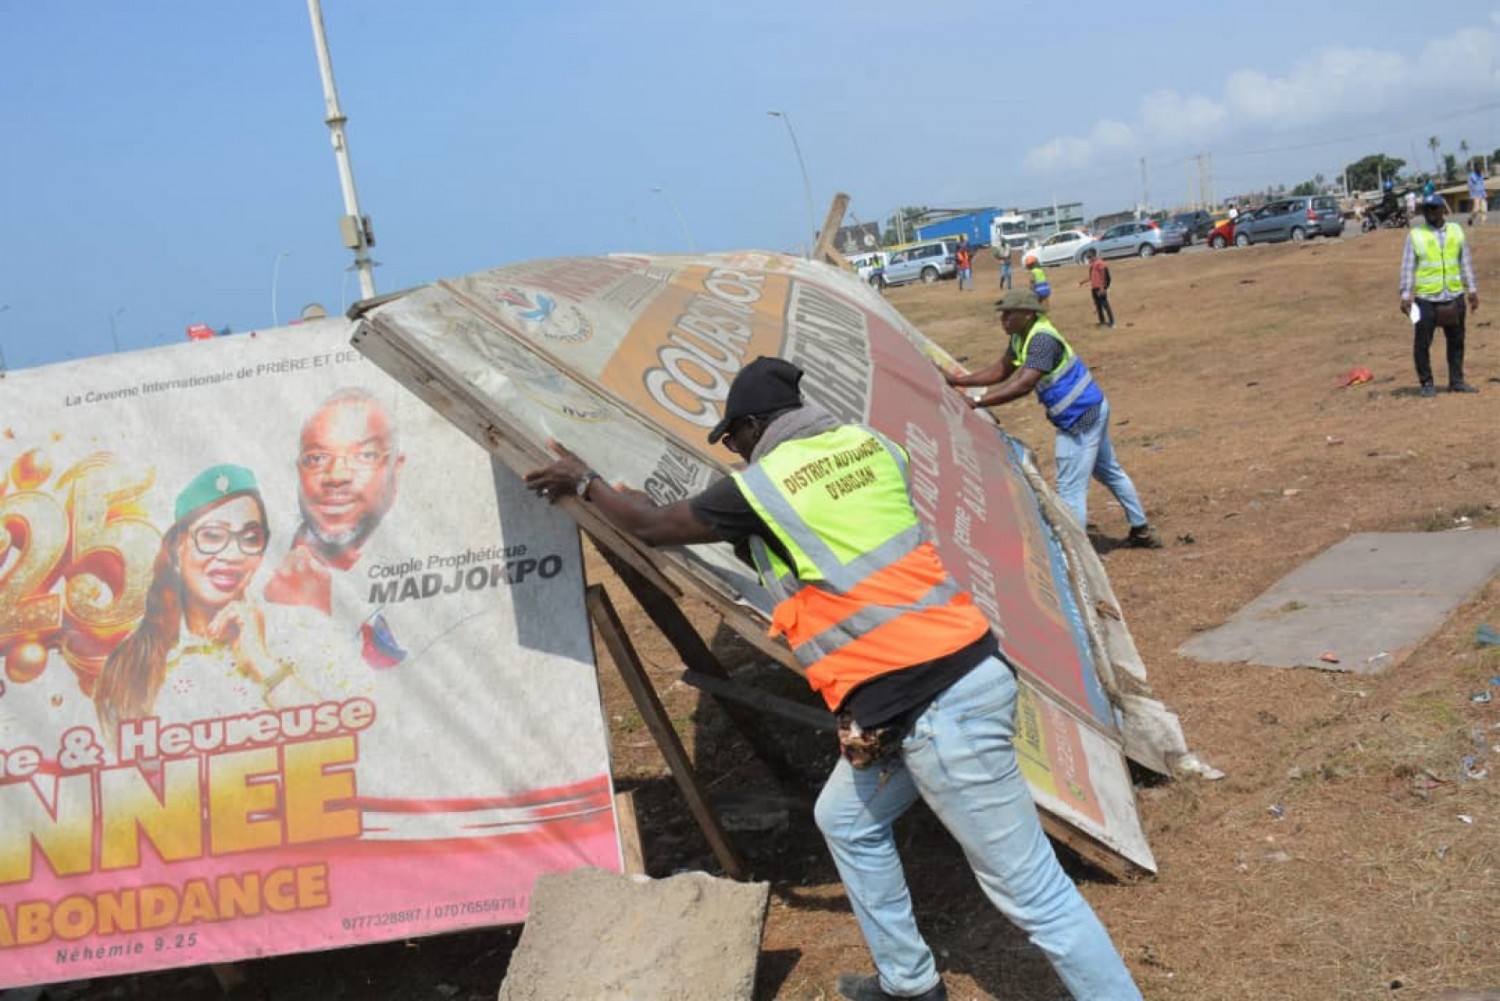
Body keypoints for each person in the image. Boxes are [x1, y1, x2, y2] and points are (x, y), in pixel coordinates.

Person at [523, 357, 1144, 1001]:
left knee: (1036, 893)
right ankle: (910, 984)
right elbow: (822, 538)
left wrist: (586, 480)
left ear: (758, 425)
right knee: (845, 820)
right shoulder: (872, 447)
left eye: (735, 438)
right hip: (953, 676)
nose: (736, 453)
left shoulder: (763, 487)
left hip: (935, 712)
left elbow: (655, 527)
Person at [94, 465, 324, 736]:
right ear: (179, 548)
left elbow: (352, 749)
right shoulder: (130, 664)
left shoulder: (303, 632)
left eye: (250, 538)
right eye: (213, 536)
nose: (232, 554)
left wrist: (262, 662)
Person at [946, 289, 1163, 548]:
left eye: (1009, 314)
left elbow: (1023, 385)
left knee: (1069, 488)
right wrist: (960, 381)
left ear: (1027, 315)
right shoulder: (1021, 337)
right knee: (1109, 471)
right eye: (1002, 314)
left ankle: (1076, 552)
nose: (1003, 319)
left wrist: (978, 402)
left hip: (1080, 418)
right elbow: (1002, 370)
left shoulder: (1042, 341)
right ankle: (1141, 530)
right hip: (1093, 407)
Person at [265, 388, 406, 616]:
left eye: (365, 455)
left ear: (395, 468)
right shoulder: (260, 572)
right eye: (317, 458)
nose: (336, 476)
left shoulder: (420, 555)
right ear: (299, 470)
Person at [1399, 193, 1481, 397]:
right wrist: (1405, 294)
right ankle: (1427, 383)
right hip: (1425, 300)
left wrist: (1471, 289)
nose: (1430, 213)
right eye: (1426, 209)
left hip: (1454, 296)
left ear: (1443, 209)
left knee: (1457, 340)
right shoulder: (1415, 235)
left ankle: (1457, 381)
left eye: (1434, 208)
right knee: (1422, 343)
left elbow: (1465, 262)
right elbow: (1408, 266)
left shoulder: (1456, 231)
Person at [1079, 254, 1114, 327]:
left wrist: (1102, 287)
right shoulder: (1093, 265)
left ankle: (1112, 322)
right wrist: (1083, 282)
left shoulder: (1100, 263)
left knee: (1105, 305)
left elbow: (1103, 276)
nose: (1089, 260)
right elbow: (1091, 277)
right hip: (1094, 287)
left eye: (1090, 258)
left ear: (1094, 256)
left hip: (1099, 287)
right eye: (1088, 258)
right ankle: (1102, 322)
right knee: (1098, 306)